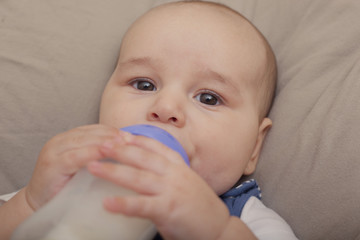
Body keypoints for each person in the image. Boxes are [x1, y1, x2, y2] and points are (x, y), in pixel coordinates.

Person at [0, 1, 298, 239]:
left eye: (209, 98)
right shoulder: (69, 184)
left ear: (254, 148)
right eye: (144, 84)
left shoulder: (246, 219)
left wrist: (218, 232)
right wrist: (31, 203)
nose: (165, 107)